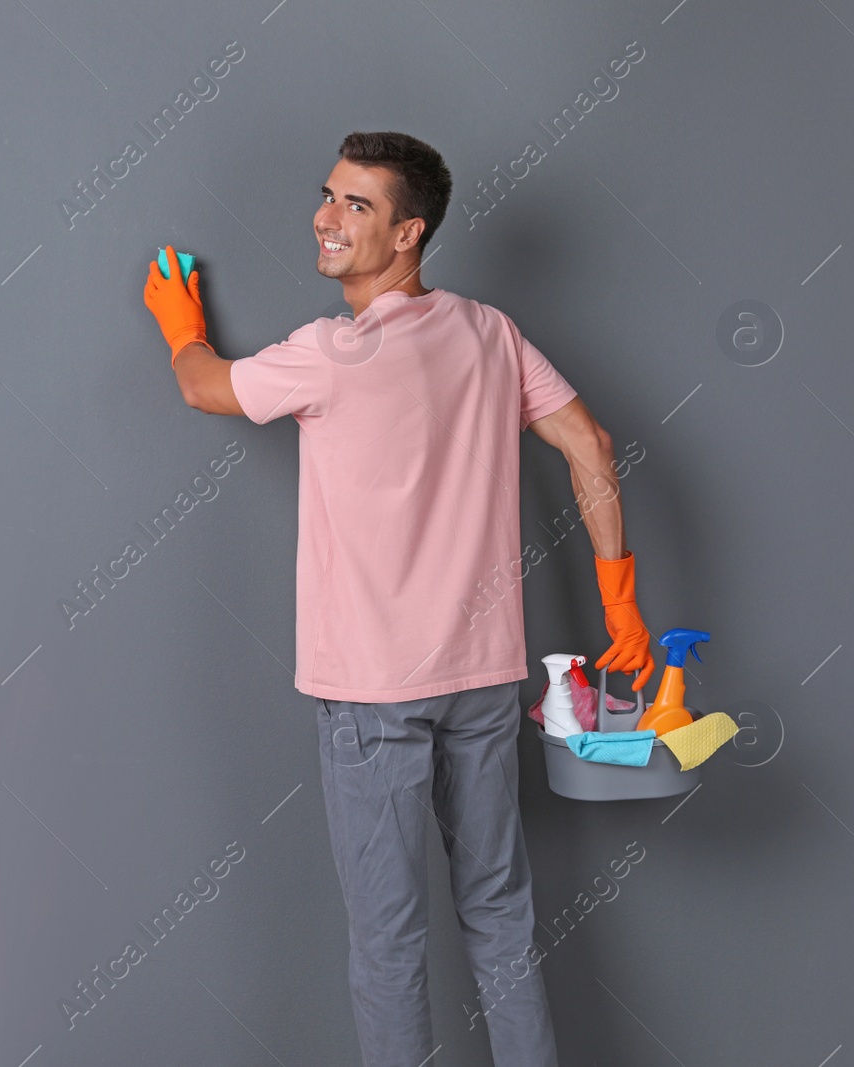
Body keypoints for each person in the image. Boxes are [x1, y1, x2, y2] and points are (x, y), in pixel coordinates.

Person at [141, 131, 656, 1067]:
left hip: (375, 694)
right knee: (500, 916)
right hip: (483, 682)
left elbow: (206, 389)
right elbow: (591, 445)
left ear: (410, 232)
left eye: (357, 206)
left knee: (388, 942)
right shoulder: (490, 334)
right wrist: (619, 602)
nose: (326, 218)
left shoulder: (329, 354)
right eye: (328, 196)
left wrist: (181, 324)